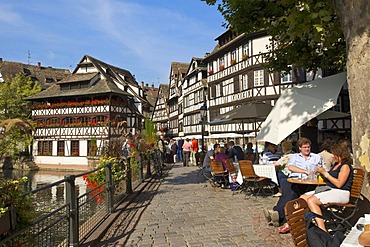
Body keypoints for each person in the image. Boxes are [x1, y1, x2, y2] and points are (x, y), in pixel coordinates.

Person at [263, 137, 323, 232]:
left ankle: (277, 213)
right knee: (288, 191)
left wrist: (317, 171)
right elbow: (290, 167)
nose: (307, 149)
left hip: (310, 182)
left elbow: (324, 169)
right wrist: (304, 171)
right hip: (295, 179)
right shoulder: (294, 157)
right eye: (305, 147)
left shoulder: (316, 157)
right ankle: (277, 214)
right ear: (300, 148)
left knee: (291, 194)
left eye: (308, 147)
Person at [300, 143, 354, 232]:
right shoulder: (335, 165)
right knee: (303, 198)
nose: (332, 156)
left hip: (341, 193)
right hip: (330, 190)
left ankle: (322, 230)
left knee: (311, 200)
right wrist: (321, 173)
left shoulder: (345, 166)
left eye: (334, 154)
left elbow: (339, 184)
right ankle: (304, 223)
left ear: (340, 154)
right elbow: (330, 179)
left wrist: (325, 173)